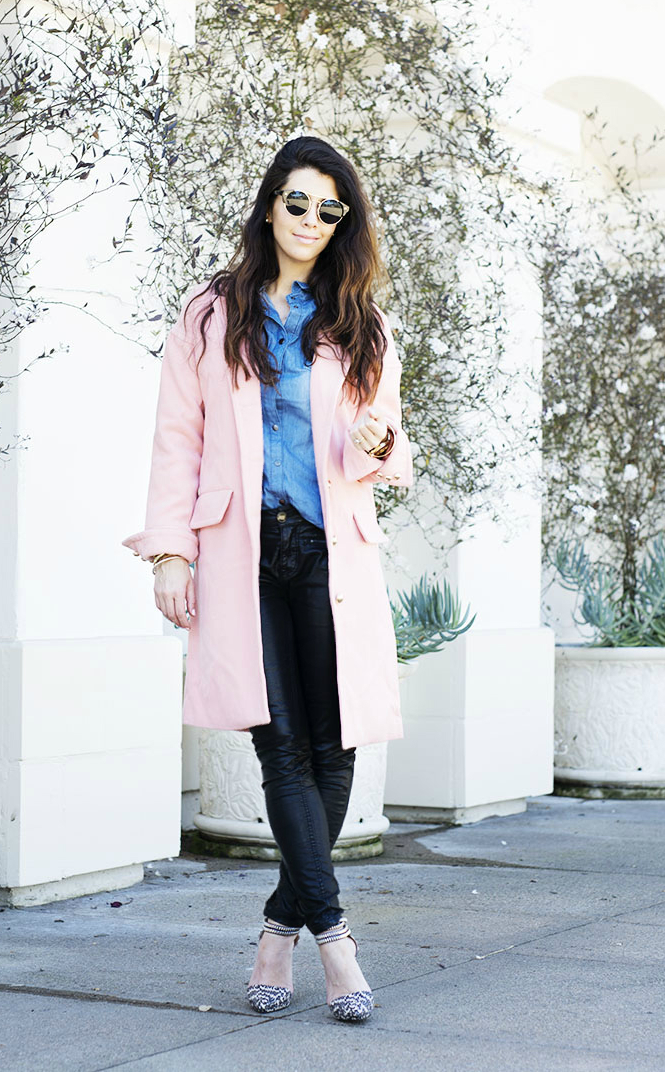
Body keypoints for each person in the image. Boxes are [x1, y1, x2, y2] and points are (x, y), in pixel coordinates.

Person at [123, 135, 413, 1023]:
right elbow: (179, 438)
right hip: (245, 551)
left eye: (331, 210)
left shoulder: (360, 319)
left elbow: (390, 438)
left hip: (333, 554)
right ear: (267, 206)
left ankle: (278, 929)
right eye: (298, 203)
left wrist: (380, 444)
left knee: (337, 750)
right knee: (279, 745)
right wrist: (171, 550)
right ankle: (336, 942)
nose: (313, 222)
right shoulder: (212, 314)